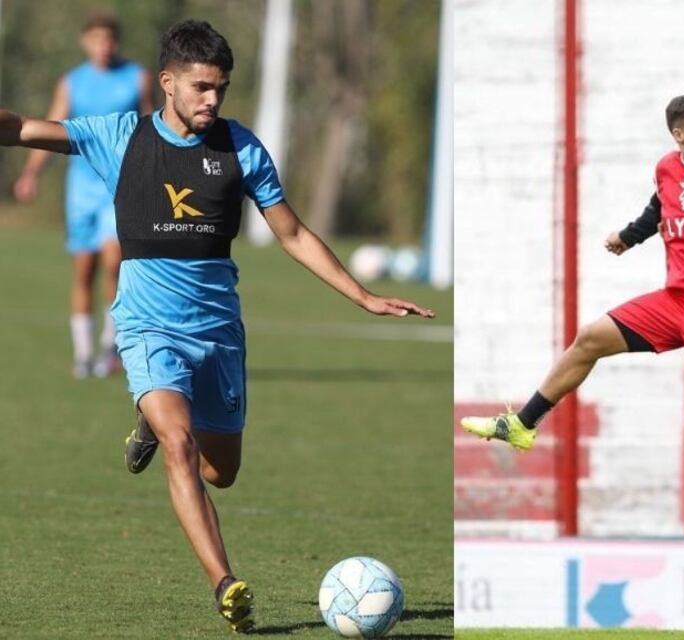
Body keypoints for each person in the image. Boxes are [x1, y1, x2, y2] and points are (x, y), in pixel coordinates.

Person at [0, 19, 434, 633]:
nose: (212, 100)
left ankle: (151, 423)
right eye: (201, 87)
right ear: (168, 82)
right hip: (147, 328)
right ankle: (225, 582)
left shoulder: (240, 147)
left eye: (221, 89)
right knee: (179, 445)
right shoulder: (120, 137)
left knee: (218, 471)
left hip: (219, 334)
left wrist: (362, 296)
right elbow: (19, 129)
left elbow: (292, 233)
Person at [461, 94, 684, 588]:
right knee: (589, 338)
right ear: (679, 135)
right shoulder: (667, 169)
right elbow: (659, 209)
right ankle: (522, 425)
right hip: (679, 301)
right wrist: (629, 238)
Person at [13, 11, 153, 378]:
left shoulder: (137, 78)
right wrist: (31, 173)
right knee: (84, 269)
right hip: (81, 189)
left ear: (117, 42)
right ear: (86, 43)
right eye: (97, 40)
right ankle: (83, 351)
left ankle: (111, 344)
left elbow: (155, 129)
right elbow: (48, 128)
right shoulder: (73, 83)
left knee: (114, 263)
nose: (104, 47)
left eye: (110, 40)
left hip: (122, 184)